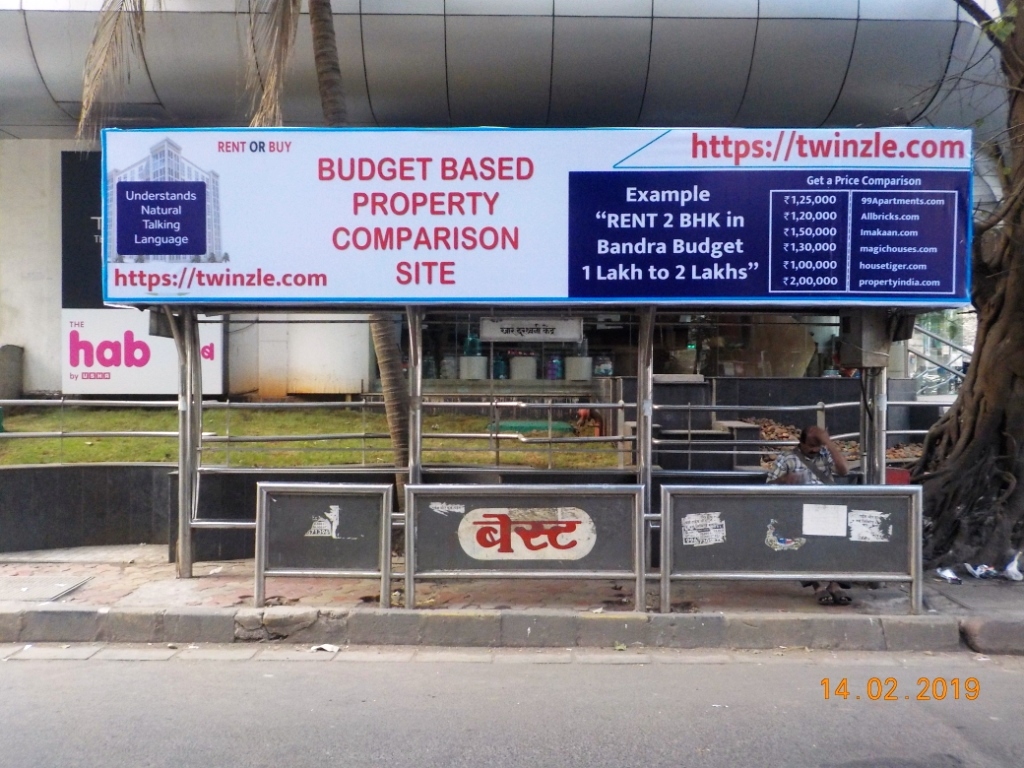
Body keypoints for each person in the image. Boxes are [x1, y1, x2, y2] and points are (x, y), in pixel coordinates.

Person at [766, 425, 852, 605]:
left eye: (818, 446)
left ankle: (834, 584)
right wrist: (784, 480)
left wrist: (827, 442)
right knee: (806, 539)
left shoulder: (825, 455)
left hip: (827, 507)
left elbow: (844, 470)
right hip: (799, 509)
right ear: (801, 443)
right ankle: (818, 585)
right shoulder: (787, 458)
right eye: (811, 446)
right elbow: (768, 487)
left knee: (843, 534)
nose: (814, 450)